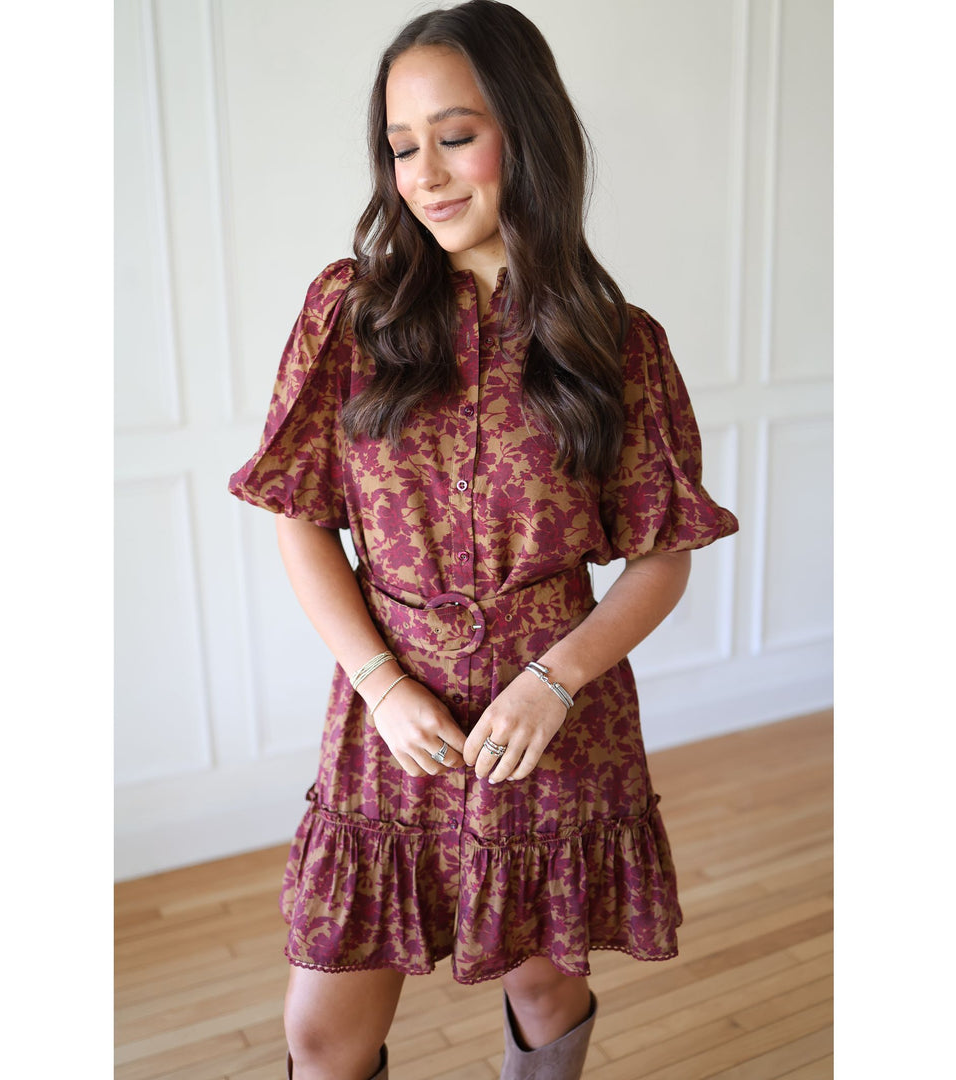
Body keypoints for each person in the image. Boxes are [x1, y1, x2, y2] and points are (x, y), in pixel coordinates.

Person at [228, 2, 738, 1077]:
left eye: (455, 136)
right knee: (321, 1030)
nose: (425, 175)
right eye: (400, 146)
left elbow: (663, 553)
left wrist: (554, 683)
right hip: (392, 723)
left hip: (552, 723)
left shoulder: (616, 343)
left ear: (527, 131)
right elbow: (299, 518)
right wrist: (380, 684)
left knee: (544, 983)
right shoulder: (347, 315)